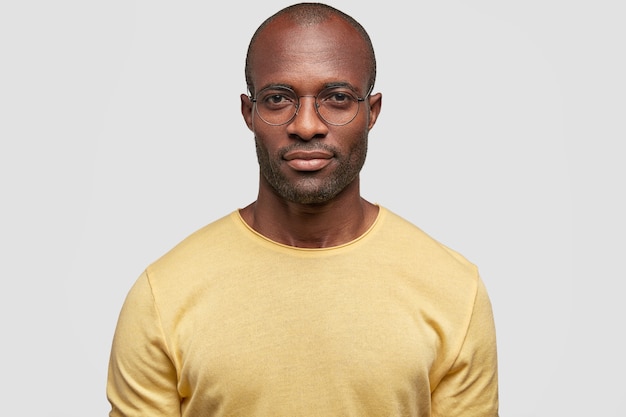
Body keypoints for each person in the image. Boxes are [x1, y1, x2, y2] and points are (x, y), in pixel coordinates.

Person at [106, 3, 499, 416]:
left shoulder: (454, 290)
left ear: (372, 112)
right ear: (249, 113)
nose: (307, 125)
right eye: (278, 99)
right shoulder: (164, 294)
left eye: (338, 98)